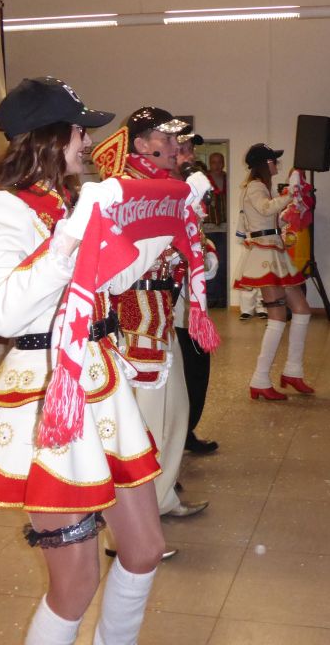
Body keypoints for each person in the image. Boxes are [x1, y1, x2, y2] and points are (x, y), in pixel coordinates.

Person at [0, 78, 189, 645]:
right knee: (76, 582)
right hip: (47, 394)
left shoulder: (68, 199)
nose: (89, 142)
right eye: (81, 130)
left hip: (100, 379)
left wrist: (167, 224)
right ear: (51, 136)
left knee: (145, 549)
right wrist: (66, 244)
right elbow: (0, 313)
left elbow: (109, 281)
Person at [93, 107, 210, 519]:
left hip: (160, 313)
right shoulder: (124, 188)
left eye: (177, 138)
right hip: (133, 317)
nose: (177, 146)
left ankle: (160, 499)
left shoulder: (164, 187)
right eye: (167, 138)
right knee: (142, 420)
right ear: (141, 144)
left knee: (174, 413)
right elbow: (121, 263)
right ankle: (132, 519)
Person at [234, 143, 315, 400]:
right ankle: (260, 379)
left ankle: (293, 371)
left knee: (302, 309)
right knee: (278, 316)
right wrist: (290, 194)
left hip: (274, 250)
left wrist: (289, 212)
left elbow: (270, 216)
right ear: (265, 164)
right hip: (264, 254)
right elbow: (266, 209)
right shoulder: (255, 186)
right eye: (274, 161)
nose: (277, 164)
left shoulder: (261, 187)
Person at [174, 131, 220, 455]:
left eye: (191, 148)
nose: (189, 154)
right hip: (168, 301)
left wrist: (206, 249)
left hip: (192, 301)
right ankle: (173, 439)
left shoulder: (190, 185)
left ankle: (185, 431)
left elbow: (196, 233)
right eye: (183, 148)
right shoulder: (162, 190)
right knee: (178, 376)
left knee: (197, 369)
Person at [203, 151, 228, 309]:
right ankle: (211, 297)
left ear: (223, 163)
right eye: (214, 162)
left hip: (225, 228)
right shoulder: (204, 180)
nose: (217, 165)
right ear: (209, 163)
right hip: (208, 228)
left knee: (224, 263)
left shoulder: (228, 178)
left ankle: (223, 297)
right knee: (211, 263)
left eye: (219, 162)